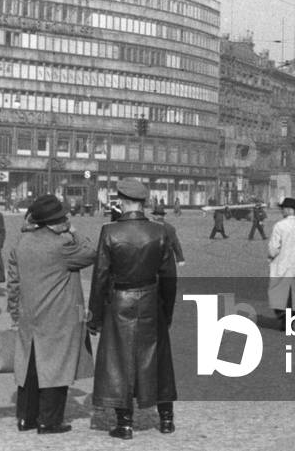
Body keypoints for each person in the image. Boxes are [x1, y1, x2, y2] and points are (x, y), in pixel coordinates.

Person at [88, 177, 177, 439]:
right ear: (143, 202)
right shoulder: (160, 231)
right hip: (151, 300)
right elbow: (170, 278)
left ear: (122, 202)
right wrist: (167, 311)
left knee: (119, 360)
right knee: (158, 359)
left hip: (120, 301)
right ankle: (167, 419)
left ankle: (124, 423)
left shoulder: (110, 231)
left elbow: (100, 276)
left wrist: (95, 315)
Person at [7, 194, 97, 434]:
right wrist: (74, 230)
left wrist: (15, 312)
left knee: (30, 367)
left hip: (29, 314)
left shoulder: (22, 242)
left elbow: (13, 282)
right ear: (56, 221)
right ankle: (49, 421)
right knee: (57, 368)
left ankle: (26, 419)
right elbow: (91, 252)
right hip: (58, 316)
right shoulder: (63, 244)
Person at [267, 197, 295, 319]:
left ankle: (282, 314)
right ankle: (292, 315)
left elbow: (274, 247)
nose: (282, 211)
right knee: (293, 290)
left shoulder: (280, 226)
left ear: (288, 210)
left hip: (281, 263)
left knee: (277, 290)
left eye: (283, 209)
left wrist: (271, 256)